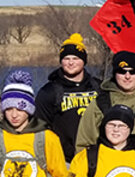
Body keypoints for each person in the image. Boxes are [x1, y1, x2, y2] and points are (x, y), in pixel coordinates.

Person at [35, 33, 101, 163]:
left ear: (84, 61)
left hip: (96, 159)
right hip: (64, 161)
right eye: (66, 59)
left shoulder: (98, 88)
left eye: (75, 58)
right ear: (61, 61)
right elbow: (39, 128)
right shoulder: (48, 91)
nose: (71, 63)